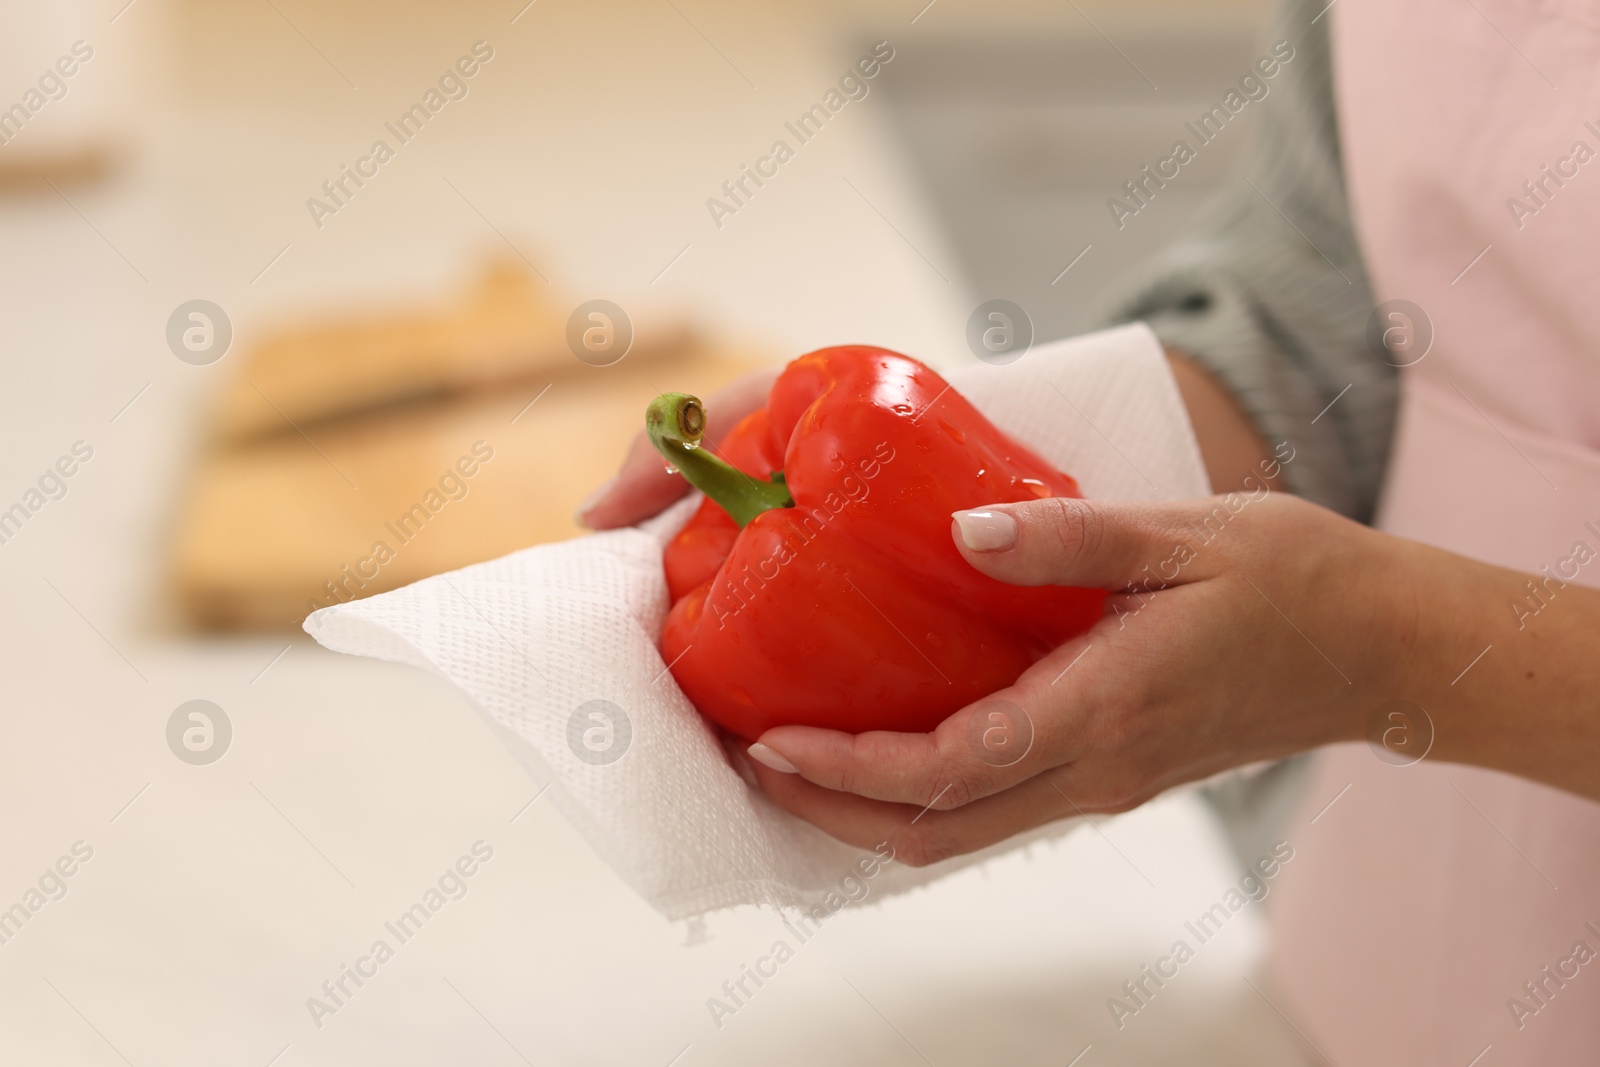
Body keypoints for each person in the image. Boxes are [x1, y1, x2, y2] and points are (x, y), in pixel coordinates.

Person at [582, 0, 1600, 1060]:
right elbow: (1331, 312)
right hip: (1370, 943)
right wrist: (934, 452)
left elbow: (1371, 633)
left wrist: (1385, 643)